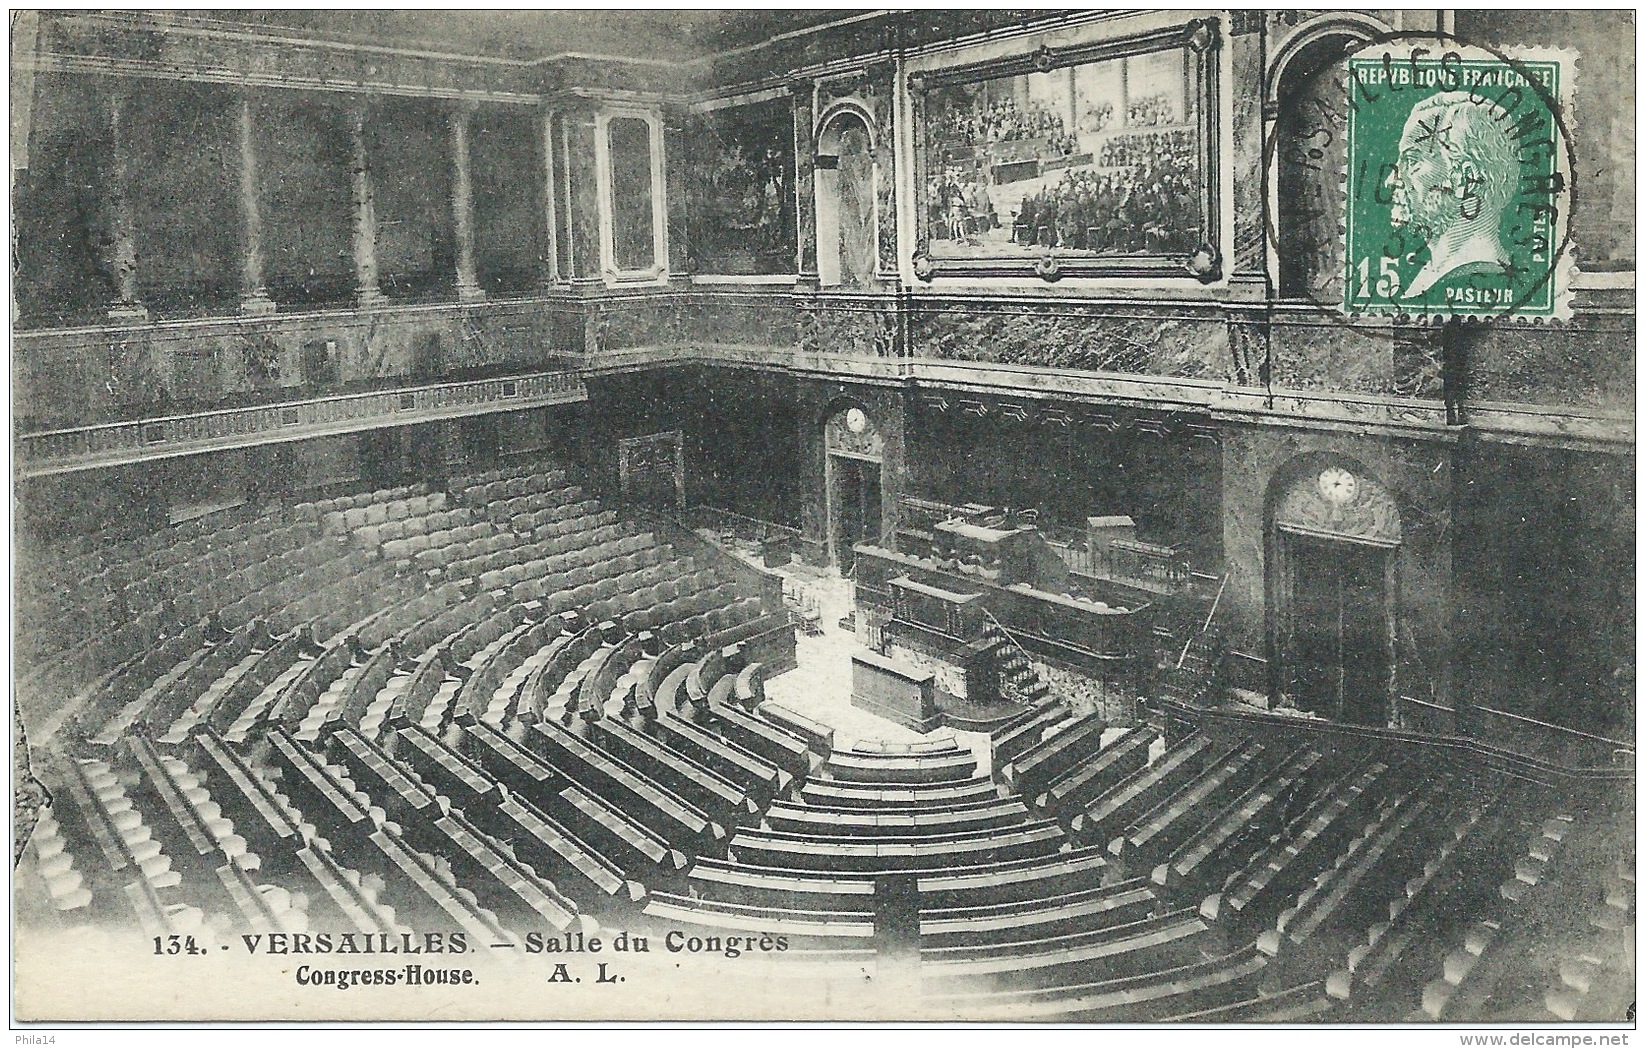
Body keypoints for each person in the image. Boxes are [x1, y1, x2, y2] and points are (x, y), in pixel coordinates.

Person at [1384, 91, 1520, 298]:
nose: (1390, 180)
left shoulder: (1475, 272)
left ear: (1465, 178)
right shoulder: (1430, 275)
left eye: (1412, 161)